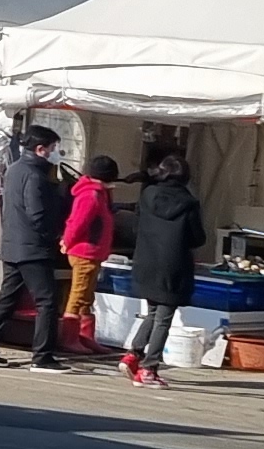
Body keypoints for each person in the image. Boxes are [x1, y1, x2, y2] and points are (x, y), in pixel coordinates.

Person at [0, 123, 70, 370]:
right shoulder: (35, 175)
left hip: (13, 244)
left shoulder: (15, 169)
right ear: (41, 149)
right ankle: (42, 356)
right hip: (33, 248)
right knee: (47, 301)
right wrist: (54, 234)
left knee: (8, 297)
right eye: (53, 148)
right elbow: (37, 212)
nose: (56, 153)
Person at [124, 150, 203, 387]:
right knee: (163, 318)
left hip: (147, 261)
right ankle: (149, 368)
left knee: (152, 312)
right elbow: (198, 238)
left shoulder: (147, 194)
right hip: (173, 265)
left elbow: (136, 227)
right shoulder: (189, 202)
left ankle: (133, 355)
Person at [60, 155, 123, 352]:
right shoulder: (91, 195)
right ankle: (70, 339)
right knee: (78, 295)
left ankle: (85, 337)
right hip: (85, 252)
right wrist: (67, 241)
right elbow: (77, 223)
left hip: (93, 252)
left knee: (87, 296)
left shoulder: (100, 194)